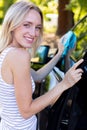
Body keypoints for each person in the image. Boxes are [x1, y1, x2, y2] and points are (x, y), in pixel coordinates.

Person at [0, 0, 84, 130]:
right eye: (27, 25)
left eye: (37, 27)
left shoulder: (6, 52)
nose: (33, 33)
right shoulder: (19, 56)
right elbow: (26, 111)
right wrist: (65, 83)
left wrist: (60, 53)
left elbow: (37, 76)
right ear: (13, 24)